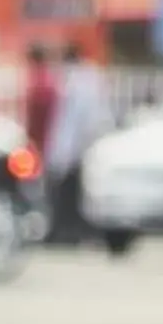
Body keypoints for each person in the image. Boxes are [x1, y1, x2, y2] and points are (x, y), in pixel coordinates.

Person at [43, 41, 109, 243]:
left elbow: (71, 122)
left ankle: (69, 232)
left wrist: (61, 153)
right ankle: (74, 232)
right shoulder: (89, 79)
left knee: (70, 195)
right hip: (83, 146)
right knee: (76, 194)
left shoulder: (75, 83)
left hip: (75, 148)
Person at [22, 44, 59, 190]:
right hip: (46, 139)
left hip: (43, 139)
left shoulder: (39, 82)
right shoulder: (49, 79)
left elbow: (36, 114)